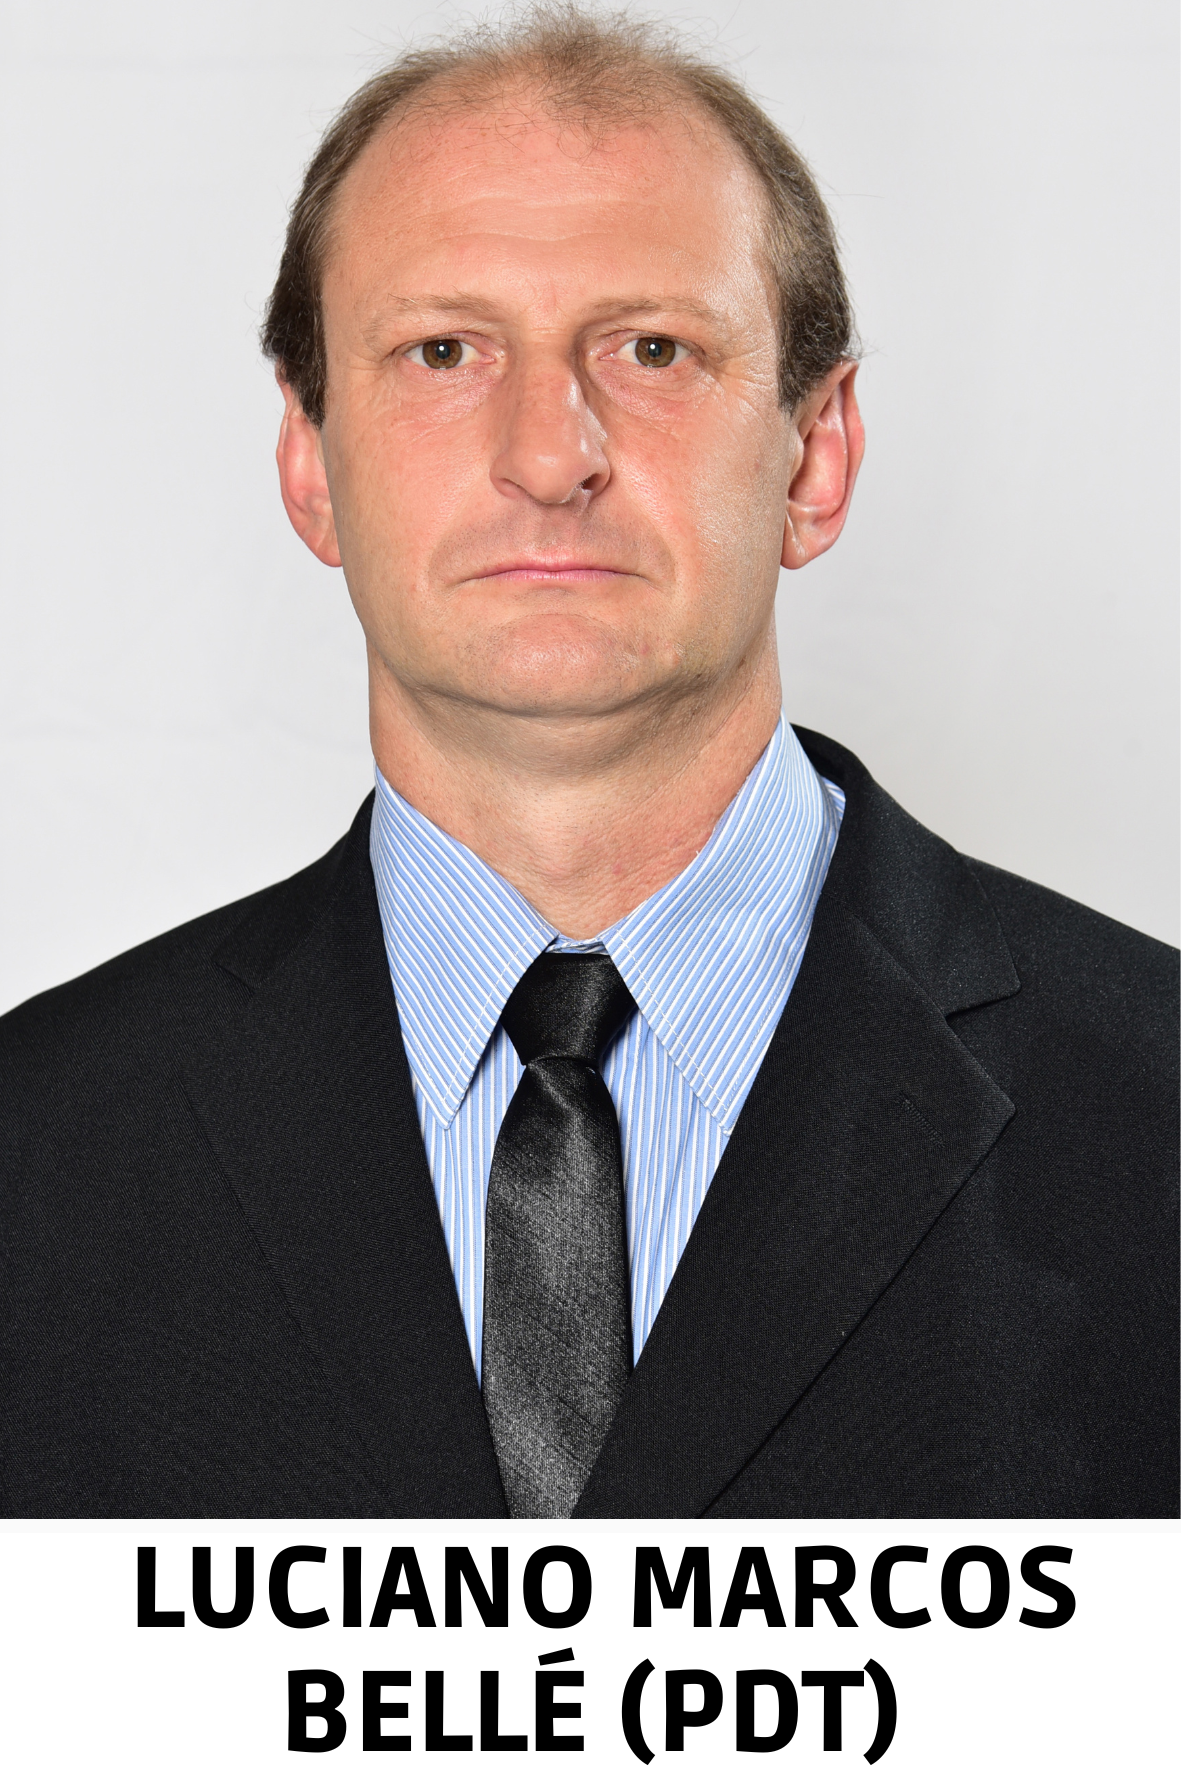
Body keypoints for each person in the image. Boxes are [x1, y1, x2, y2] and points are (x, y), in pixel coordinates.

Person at [1, 6, 1175, 1520]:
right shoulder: (36, 1146)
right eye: (442, 350)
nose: (551, 454)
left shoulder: (1155, 1107)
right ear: (310, 463)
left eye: (652, 349)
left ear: (815, 456)